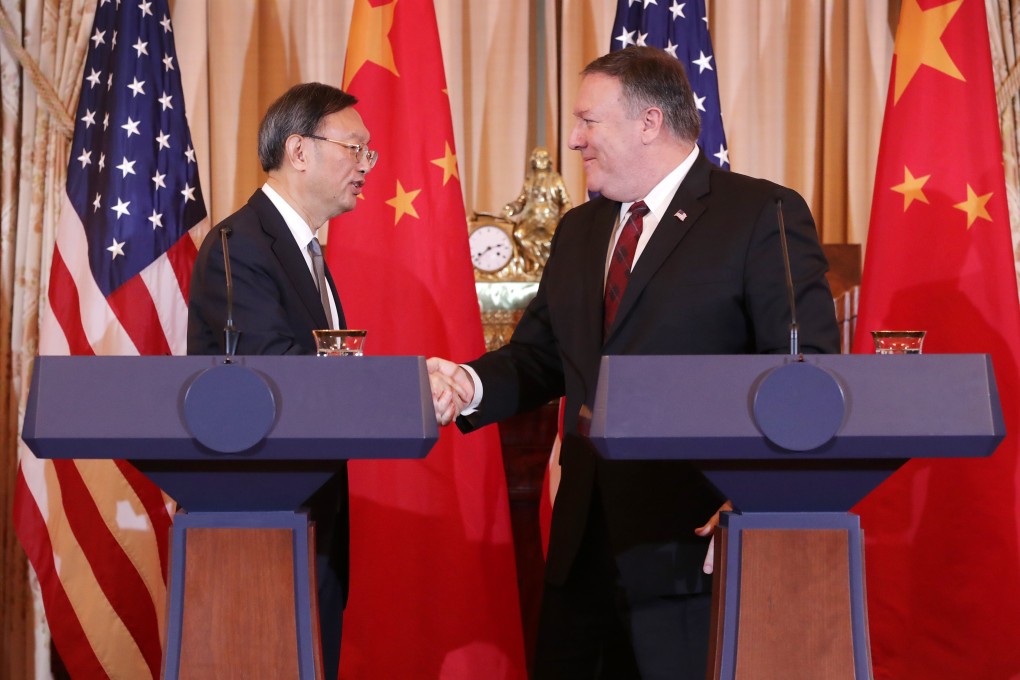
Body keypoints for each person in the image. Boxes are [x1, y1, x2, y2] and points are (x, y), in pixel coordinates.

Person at [429, 47, 840, 680]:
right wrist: (469, 383)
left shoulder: (761, 214)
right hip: (581, 552)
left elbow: (802, 369)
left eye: (588, 121)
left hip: (691, 547)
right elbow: (542, 356)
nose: (574, 140)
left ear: (648, 122)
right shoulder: (580, 230)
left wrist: (761, 492)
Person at [188, 82, 461, 679]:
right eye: (355, 149)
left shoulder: (302, 249)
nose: (367, 166)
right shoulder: (239, 246)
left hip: (310, 515)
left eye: (370, 153)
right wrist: (412, 383)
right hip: (257, 526)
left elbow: (327, 373)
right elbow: (277, 376)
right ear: (299, 150)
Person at [503, 146, 573, 273]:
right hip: (531, 219)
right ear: (533, 160)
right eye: (539, 157)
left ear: (549, 160)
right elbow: (521, 201)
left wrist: (565, 218)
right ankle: (537, 267)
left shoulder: (555, 178)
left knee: (556, 238)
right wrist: (510, 209)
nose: (542, 160)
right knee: (519, 235)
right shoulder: (529, 179)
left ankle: (550, 269)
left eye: (544, 157)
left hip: (550, 219)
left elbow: (566, 201)